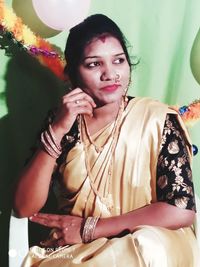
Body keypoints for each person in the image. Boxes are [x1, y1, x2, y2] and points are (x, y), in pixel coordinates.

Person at [13, 14, 199, 267]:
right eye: (93, 64)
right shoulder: (63, 124)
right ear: (71, 74)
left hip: (151, 244)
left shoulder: (157, 119)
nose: (110, 74)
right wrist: (57, 130)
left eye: (119, 60)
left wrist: (91, 228)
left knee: (145, 247)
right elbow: (24, 207)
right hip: (81, 252)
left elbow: (181, 208)